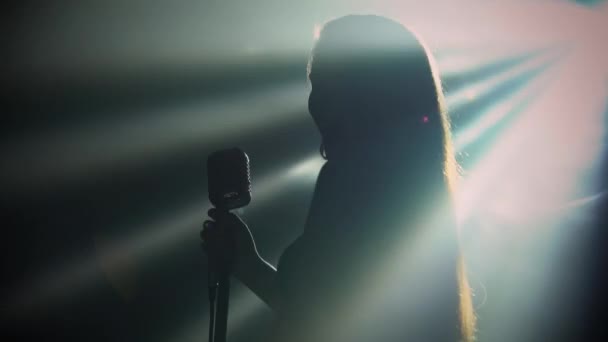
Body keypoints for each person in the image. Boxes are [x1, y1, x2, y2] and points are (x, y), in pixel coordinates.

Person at [203, 14, 476, 342]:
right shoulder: (417, 194)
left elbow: (318, 316)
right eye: (314, 85)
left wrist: (250, 266)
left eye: (324, 84)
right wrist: (249, 264)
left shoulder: (347, 185)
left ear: (364, 92)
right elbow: (321, 309)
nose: (314, 103)